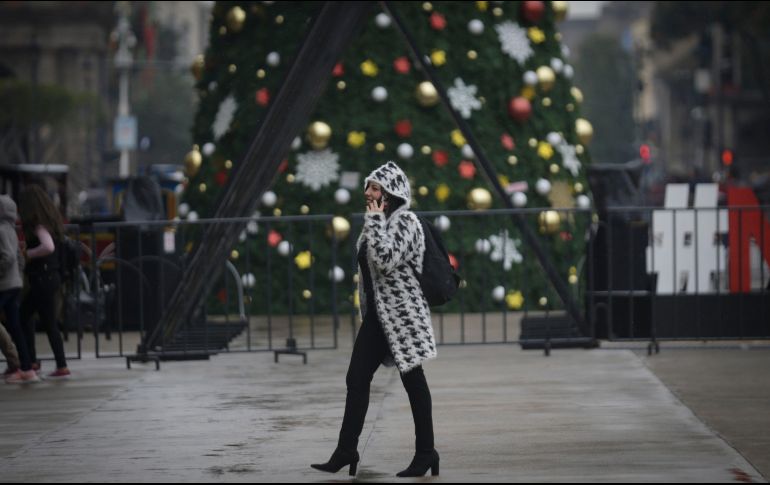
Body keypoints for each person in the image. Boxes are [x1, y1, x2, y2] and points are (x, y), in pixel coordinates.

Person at [311, 161, 439, 477]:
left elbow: (383, 261)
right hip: (379, 318)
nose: (367, 193)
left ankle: (426, 453)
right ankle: (346, 449)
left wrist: (374, 218)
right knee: (356, 379)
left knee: (414, 382)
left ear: (391, 193)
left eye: (375, 188)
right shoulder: (379, 221)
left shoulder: (406, 223)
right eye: (368, 186)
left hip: (403, 316)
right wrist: (375, 220)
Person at [17, 185, 70, 378]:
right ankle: (60, 365)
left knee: (23, 316)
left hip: (43, 277)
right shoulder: (50, 221)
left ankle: (31, 362)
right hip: (50, 277)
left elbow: (48, 246)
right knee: (48, 322)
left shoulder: (38, 224)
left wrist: (28, 253)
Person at [0, 194, 39, 383]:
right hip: (14, 283)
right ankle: (26, 368)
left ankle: (21, 366)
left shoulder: (0, 230)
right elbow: (19, 258)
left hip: (4, 284)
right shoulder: (12, 230)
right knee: (15, 327)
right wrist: (18, 276)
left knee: (14, 326)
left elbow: (7, 257)